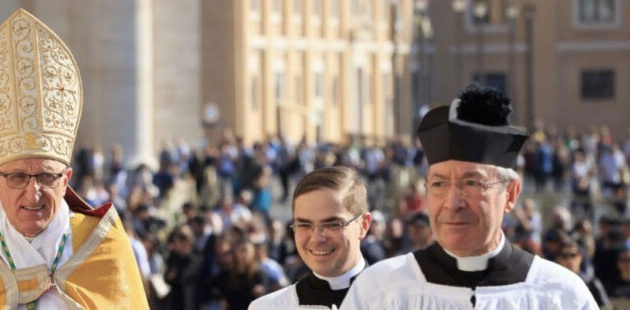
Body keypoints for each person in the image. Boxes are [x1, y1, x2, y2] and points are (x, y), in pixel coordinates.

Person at [0, 8, 148, 309]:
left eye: (47, 176)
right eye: (18, 177)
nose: (33, 191)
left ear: (66, 180)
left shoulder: (105, 249)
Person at [344, 85, 596, 309]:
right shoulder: (379, 291)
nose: (453, 203)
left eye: (471, 183)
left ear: (509, 194)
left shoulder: (560, 295)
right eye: (439, 184)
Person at [250, 166, 370, 309]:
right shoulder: (268, 307)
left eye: (332, 224)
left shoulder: (398, 300)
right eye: (304, 225)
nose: (316, 239)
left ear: (363, 225)